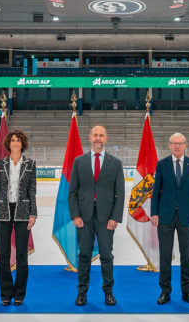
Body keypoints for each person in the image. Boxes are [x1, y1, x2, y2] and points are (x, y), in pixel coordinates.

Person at [68, 125, 125, 307]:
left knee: (106, 256)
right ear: (89, 138)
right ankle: (82, 293)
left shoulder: (115, 163)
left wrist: (115, 217)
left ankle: (108, 292)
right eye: (95, 135)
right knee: (84, 255)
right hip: (83, 218)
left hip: (106, 218)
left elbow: (120, 193)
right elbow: (72, 193)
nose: (98, 138)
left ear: (106, 138)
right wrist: (75, 215)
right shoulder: (79, 162)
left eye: (101, 135)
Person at [150, 132, 189, 305]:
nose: (177, 146)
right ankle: (165, 291)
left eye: (180, 143)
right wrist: (154, 213)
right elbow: (156, 191)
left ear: (185, 145)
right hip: (165, 216)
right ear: (169, 145)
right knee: (165, 255)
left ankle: (187, 291)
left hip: (186, 216)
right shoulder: (162, 164)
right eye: (173, 143)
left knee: (186, 256)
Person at [0, 130, 37, 306]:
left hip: (23, 210)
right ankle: (6, 292)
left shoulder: (30, 164)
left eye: (18, 140)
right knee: (4, 254)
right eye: (13, 140)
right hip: (2, 210)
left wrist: (33, 213)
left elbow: (32, 190)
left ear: (22, 143)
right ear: (8, 144)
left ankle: (20, 293)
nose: (15, 143)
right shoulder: (1, 164)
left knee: (22, 254)